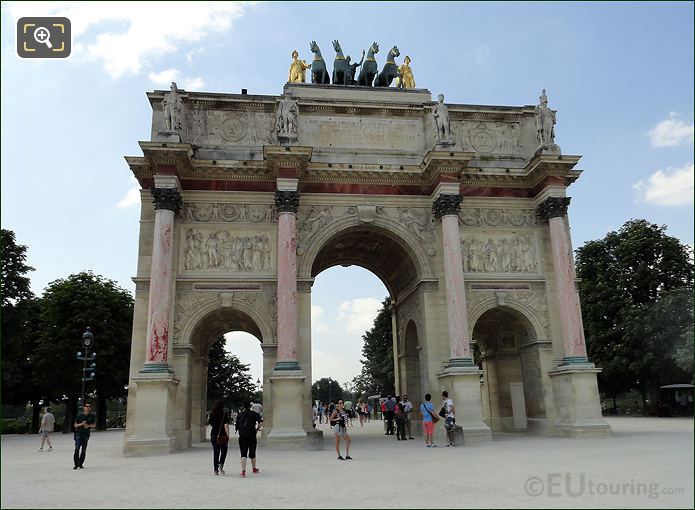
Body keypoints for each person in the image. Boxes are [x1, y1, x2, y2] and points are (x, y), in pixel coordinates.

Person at [235, 400, 263, 477]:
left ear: (243, 406)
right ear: (250, 406)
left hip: (243, 436)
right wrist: (257, 429)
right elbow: (260, 422)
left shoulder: (240, 415)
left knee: (243, 453)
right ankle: (254, 468)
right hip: (252, 435)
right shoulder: (254, 414)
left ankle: (243, 471)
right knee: (252, 452)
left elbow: (237, 426)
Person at [208, 400, 229, 475]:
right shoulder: (224, 414)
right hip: (223, 435)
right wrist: (228, 435)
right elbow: (226, 425)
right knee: (224, 451)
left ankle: (215, 470)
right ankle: (221, 464)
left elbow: (210, 424)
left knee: (216, 452)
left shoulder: (212, 414)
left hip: (214, 435)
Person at [73, 402, 96, 469]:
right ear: (84, 408)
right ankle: (76, 464)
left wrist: (88, 425)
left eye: (89, 407)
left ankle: (80, 463)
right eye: (86, 406)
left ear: (90, 408)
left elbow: (94, 425)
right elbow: (75, 425)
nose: (88, 408)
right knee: (77, 448)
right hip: (78, 434)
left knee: (83, 450)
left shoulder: (92, 416)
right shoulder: (79, 416)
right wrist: (82, 424)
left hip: (86, 435)